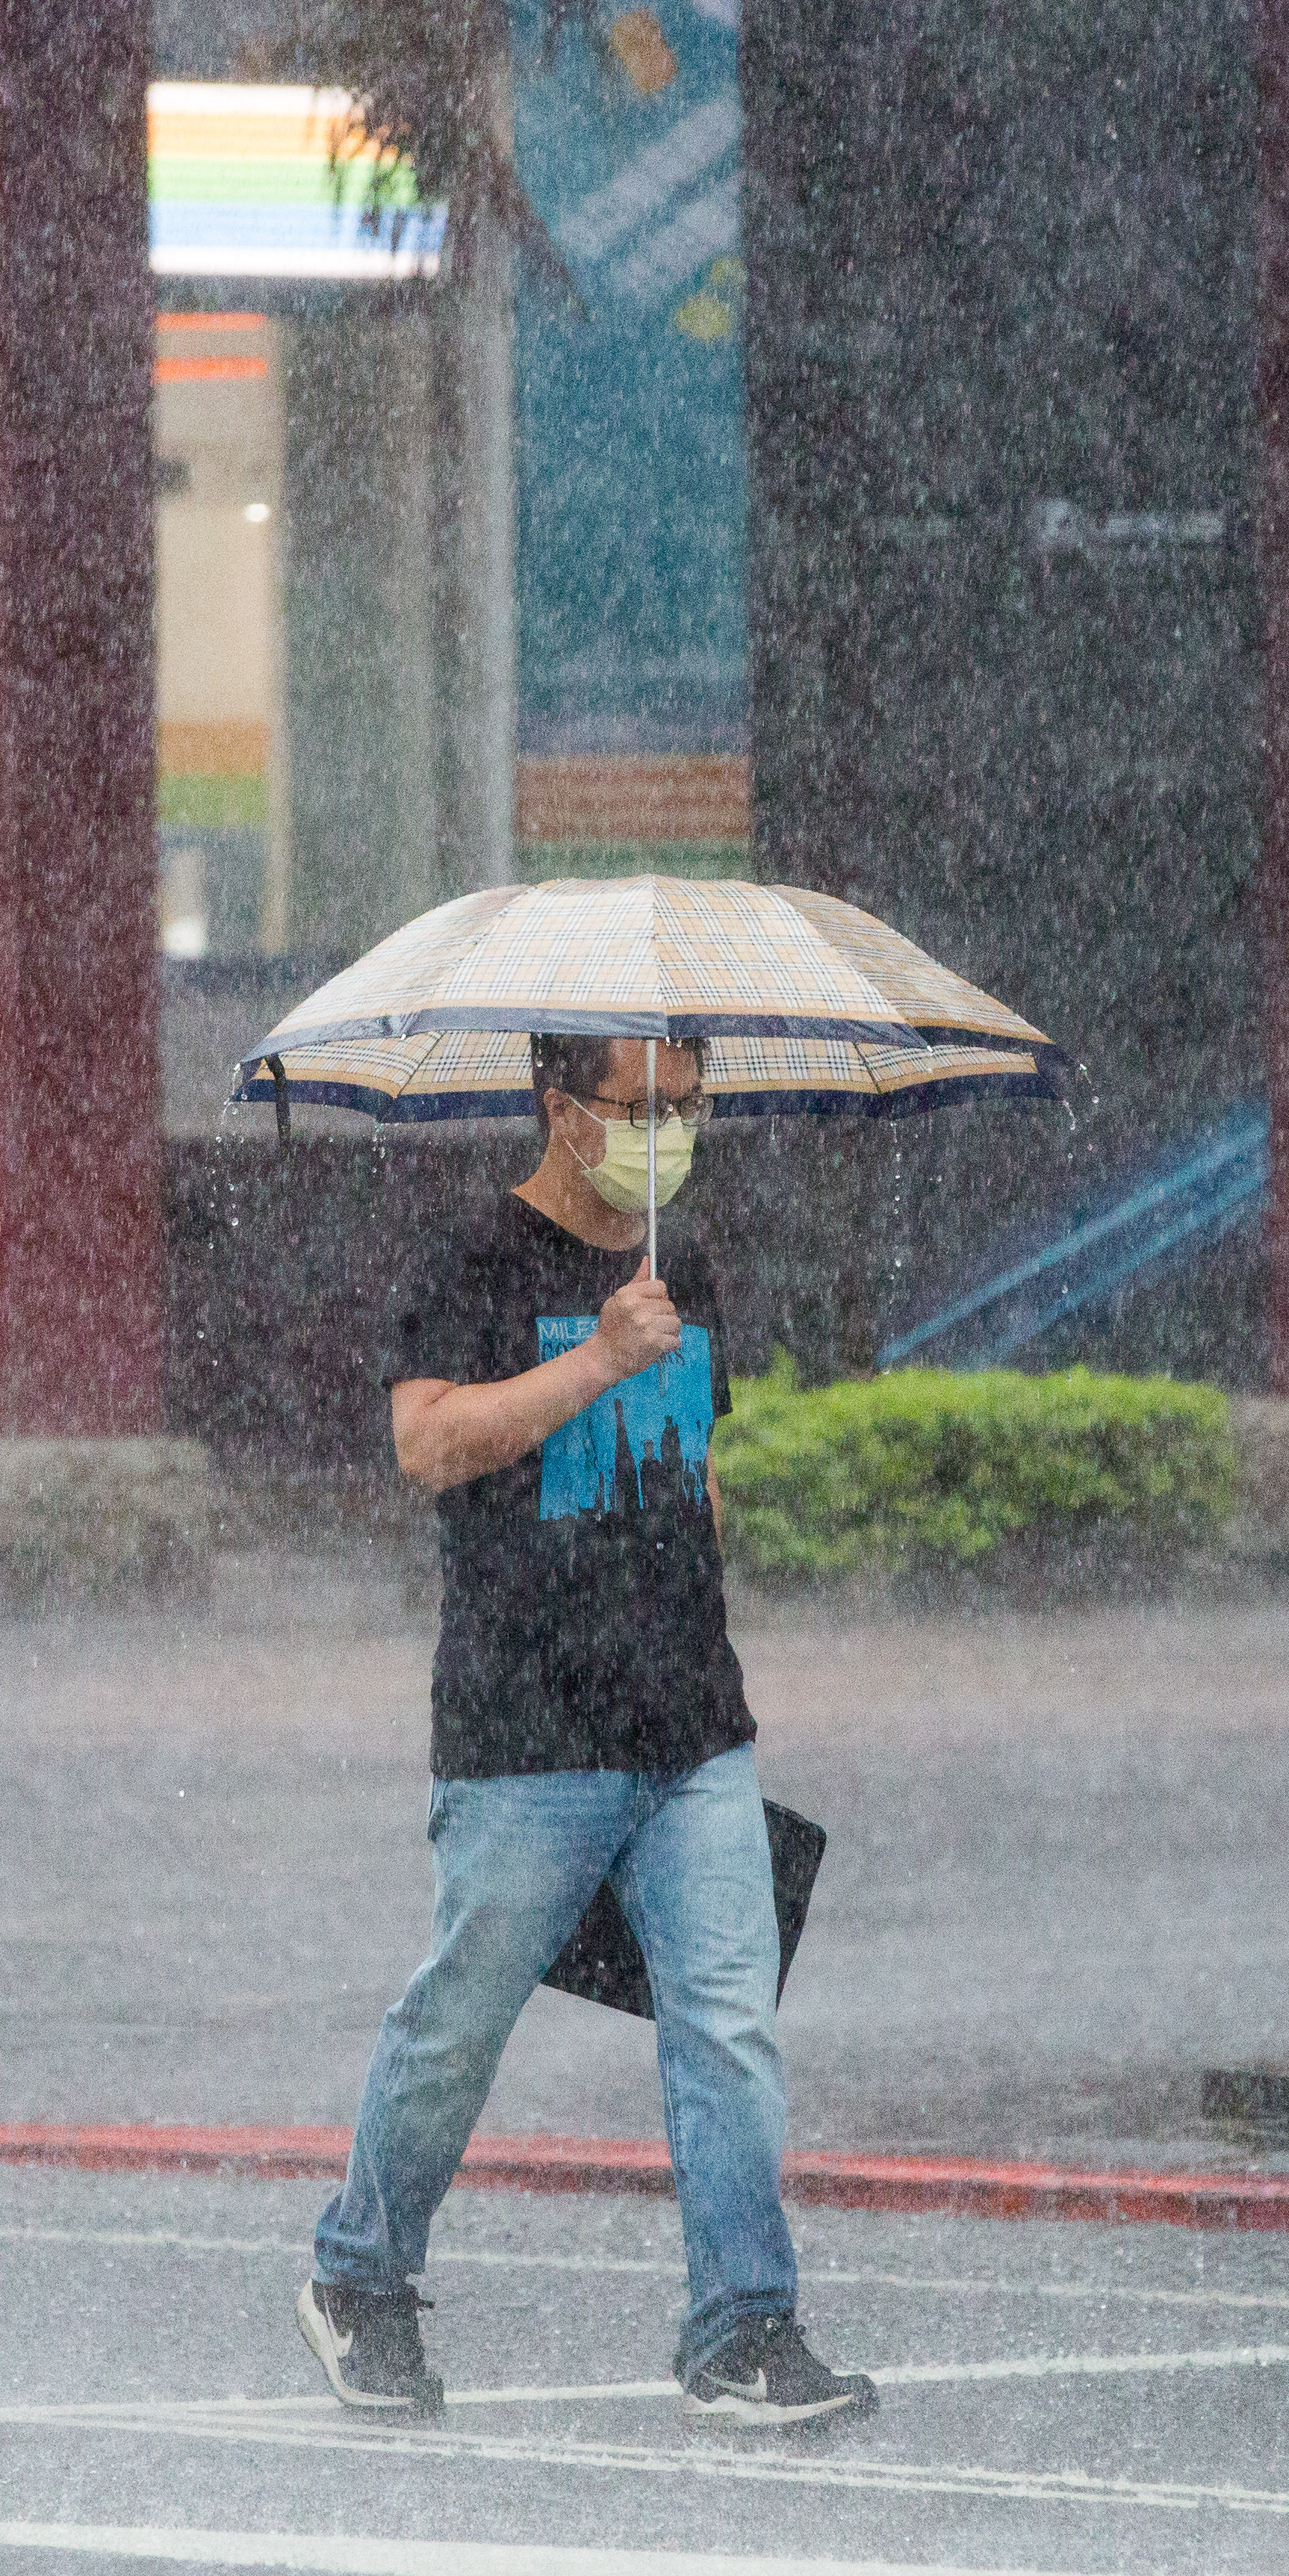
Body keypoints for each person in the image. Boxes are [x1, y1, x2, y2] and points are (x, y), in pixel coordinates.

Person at [296, 1030, 876, 2431]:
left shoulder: (691, 1271)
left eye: (690, 1105)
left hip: (689, 1728)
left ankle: (743, 2325)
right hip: (526, 1731)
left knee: (728, 2028)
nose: (670, 1131)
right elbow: (428, 1446)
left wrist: (698, 1615)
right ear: (562, 1112)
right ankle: (359, 2275)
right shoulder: (469, 1267)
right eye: (641, 1107)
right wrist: (600, 1359)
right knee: (460, 2022)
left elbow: (702, 1471)